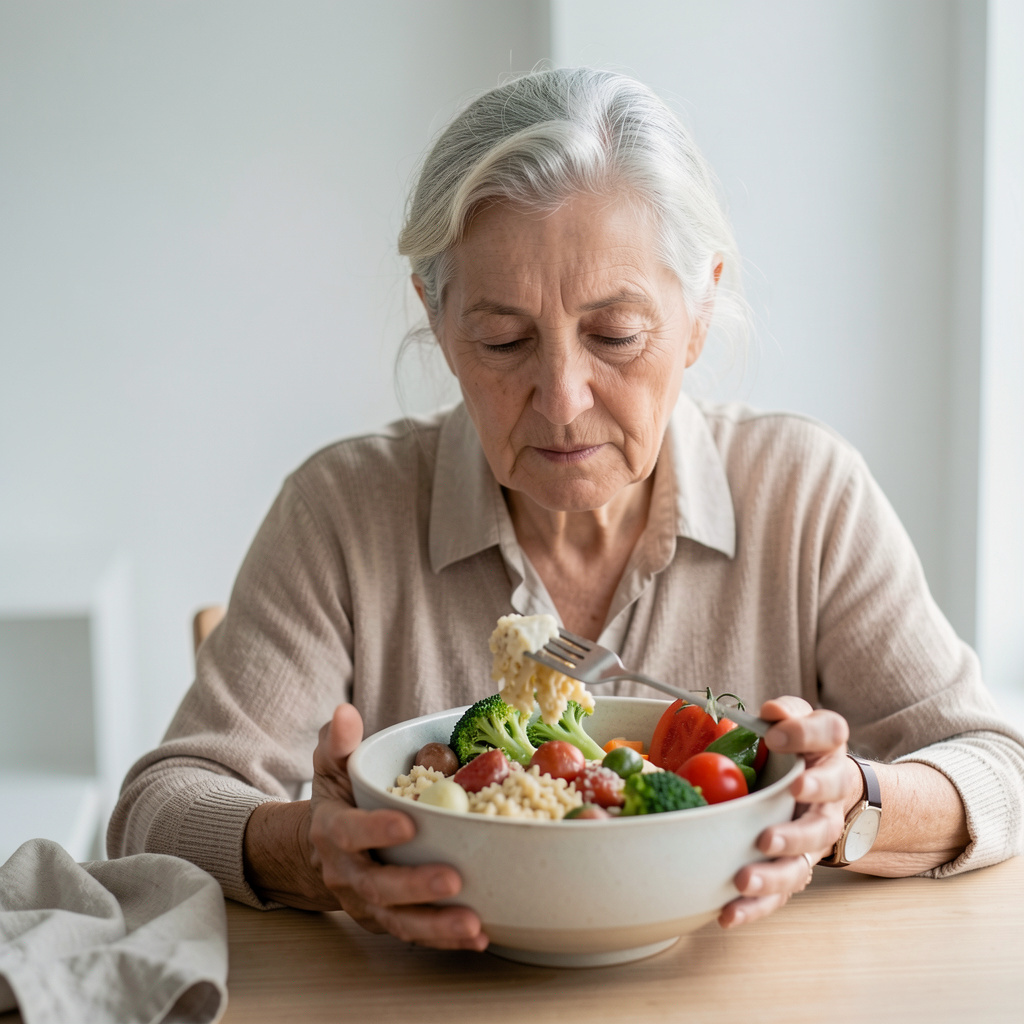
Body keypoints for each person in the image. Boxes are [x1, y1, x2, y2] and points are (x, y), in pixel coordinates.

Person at [108, 68, 1024, 951]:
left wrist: (850, 804)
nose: (561, 399)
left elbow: (999, 766)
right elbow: (159, 805)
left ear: (700, 309)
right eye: (503, 339)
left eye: (614, 335)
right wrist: (313, 850)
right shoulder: (342, 512)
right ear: (438, 319)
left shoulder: (806, 493)